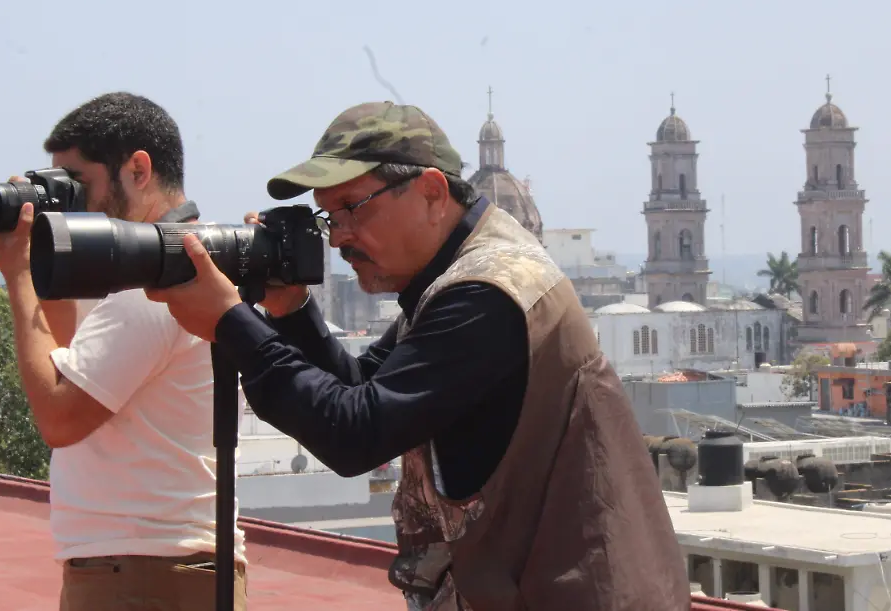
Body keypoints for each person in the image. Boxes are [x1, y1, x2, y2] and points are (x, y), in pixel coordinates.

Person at [146, 100, 691, 611]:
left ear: (431, 192)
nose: (338, 238)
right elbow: (364, 388)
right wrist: (290, 310)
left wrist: (231, 323)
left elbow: (357, 432)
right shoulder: (455, 276)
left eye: (351, 209)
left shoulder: (489, 292)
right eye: (329, 218)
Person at [0, 91, 248, 611]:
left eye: (77, 183)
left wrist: (17, 272)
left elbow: (60, 418)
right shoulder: (170, 269)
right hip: (149, 566)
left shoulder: (159, 285)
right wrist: (40, 253)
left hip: (145, 572)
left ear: (138, 170)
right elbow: (63, 354)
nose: (68, 201)